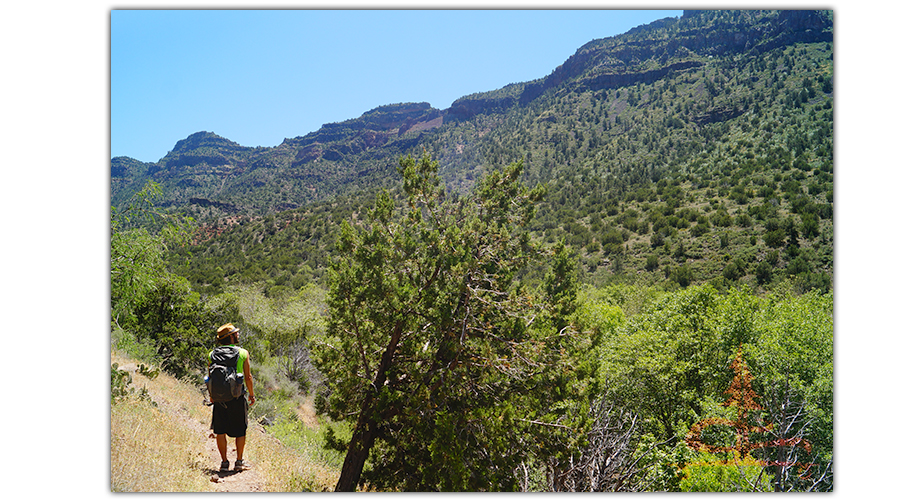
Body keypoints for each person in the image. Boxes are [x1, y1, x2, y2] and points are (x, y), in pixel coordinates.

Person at [209, 323, 256, 472]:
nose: (238, 335)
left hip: (219, 398)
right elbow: (248, 376)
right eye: (235, 333)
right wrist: (252, 394)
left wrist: (212, 395)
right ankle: (239, 462)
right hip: (237, 397)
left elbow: (210, 377)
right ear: (230, 337)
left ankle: (224, 463)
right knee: (240, 430)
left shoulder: (211, 354)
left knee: (220, 431)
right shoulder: (242, 353)